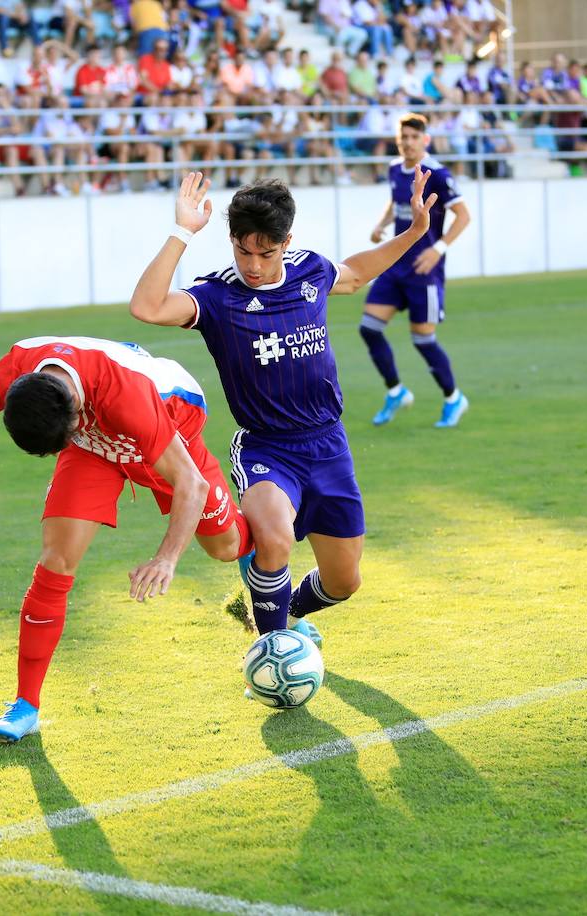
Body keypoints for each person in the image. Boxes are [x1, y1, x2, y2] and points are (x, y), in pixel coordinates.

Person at [0, 337, 254, 742]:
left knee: (226, 547)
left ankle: (266, 580)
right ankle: (25, 705)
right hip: (93, 449)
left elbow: (191, 484)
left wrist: (166, 558)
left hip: (169, 427)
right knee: (56, 560)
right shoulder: (16, 371)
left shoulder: (128, 395)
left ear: (76, 415)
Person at [127, 171, 438, 651]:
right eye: (243, 251)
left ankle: (276, 606)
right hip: (266, 446)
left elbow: (354, 274)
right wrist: (182, 232)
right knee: (273, 538)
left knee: (344, 581)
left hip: (329, 445)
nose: (253, 264)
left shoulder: (311, 272)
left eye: (266, 253)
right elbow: (146, 307)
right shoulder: (216, 296)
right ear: (231, 242)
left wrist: (415, 232)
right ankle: (270, 649)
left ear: (285, 242)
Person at [360, 113, 471, 427]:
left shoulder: (437, 173)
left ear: (425, 139)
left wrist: (438, 249)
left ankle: (453, 398)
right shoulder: (395, 168)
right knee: (369, 328)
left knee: (423, 340)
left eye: (413, 137)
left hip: (425, 269)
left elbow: (463, 215)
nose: (407, 143)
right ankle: (395, 391)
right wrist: (381, 225)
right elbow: (396, 203)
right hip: (396, 265)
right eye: (402, 137)